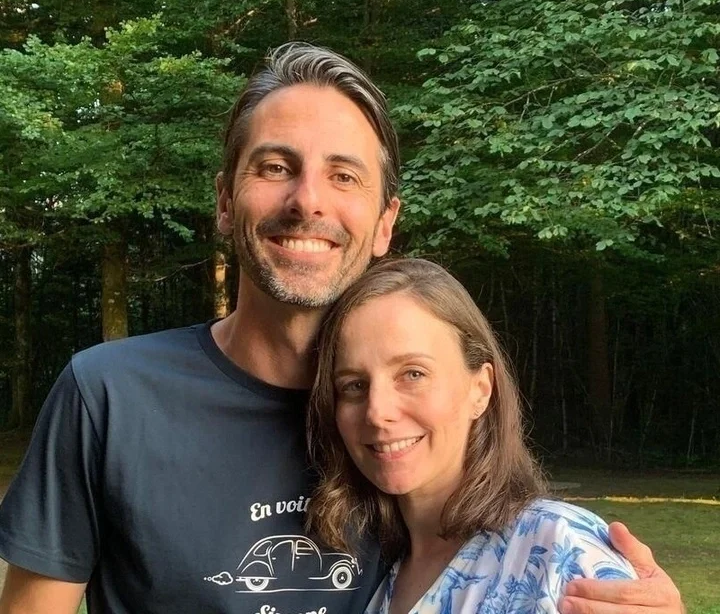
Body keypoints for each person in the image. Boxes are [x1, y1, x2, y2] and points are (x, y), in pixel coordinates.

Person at [0, 44, 683, 614]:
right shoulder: (109, 396)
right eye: (275, 167)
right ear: (224, 201)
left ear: (385, 223)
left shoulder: (404, 443)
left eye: (344, 176)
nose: (308, 201)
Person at [306, 257, 638, 613]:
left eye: (413, 374)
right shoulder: (374, 574)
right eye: (354, 385)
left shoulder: (559, 550)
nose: (377, 411)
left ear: (480, 389)